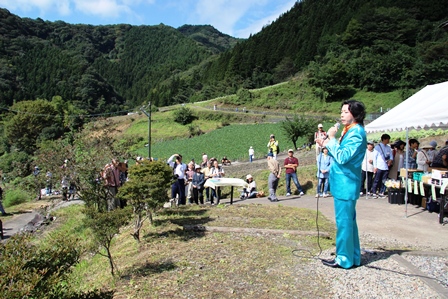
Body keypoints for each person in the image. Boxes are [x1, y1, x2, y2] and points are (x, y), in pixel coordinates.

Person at [316, 99, 367, 269]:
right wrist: (326, 144)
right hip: (343, 182)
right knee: (349, 222)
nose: (342, 115)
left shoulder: (356, 133)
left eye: (346, 112)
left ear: (356, 114)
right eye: (342, 112)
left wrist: (331, 139)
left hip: (346, 183)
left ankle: (344, 258)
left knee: (344, 222)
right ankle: (353, 256)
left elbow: (343, 157)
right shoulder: (349, 130)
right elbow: (341, 153)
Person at [371, 134, 393, 198]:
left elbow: (391, 156)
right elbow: (374, 157)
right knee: (376, 180)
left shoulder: (388, 147)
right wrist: (375, 166)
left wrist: (390, 160)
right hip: (379, 166)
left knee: (384, 180)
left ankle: (381, 192)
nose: (388, 141)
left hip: (386, 166)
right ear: (384, 139)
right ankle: (374, 192)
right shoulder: (377, 147)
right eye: (387, 139)